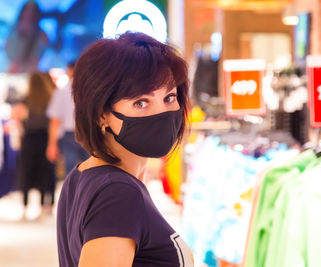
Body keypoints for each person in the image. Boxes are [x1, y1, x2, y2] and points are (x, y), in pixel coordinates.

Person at [57, 32, 194, 266]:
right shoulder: (118, 193)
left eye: (169, 97)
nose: (160, 113)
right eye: (140, 102)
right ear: (102, 114)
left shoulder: (83, 176)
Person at [12, 71, 56, 220]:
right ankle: (43, 208)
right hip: (44, 138)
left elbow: (17, 118)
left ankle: (24, 208)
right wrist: (52, 143)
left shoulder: (26, 99)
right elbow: (52, 124)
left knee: (26, 172)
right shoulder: (50, 99)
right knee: (44, 172)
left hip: (29, 139)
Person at [46, 61, 88, 176]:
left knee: (71, 173)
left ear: (69, 72)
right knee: (91, 172)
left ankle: (73, 194)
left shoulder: (61, 92)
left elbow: (55, 121)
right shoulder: (91, 91)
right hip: (88, 134)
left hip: (70, 135)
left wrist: (52, 144)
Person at [5, 1, 48, 73]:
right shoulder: (13, 32)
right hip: (12, 70)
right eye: (27, 10)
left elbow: (39, 56)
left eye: (32, 11)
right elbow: (8, 52)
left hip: (30, 72)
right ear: (22, 12)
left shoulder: (41, 35)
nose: (29, 14)